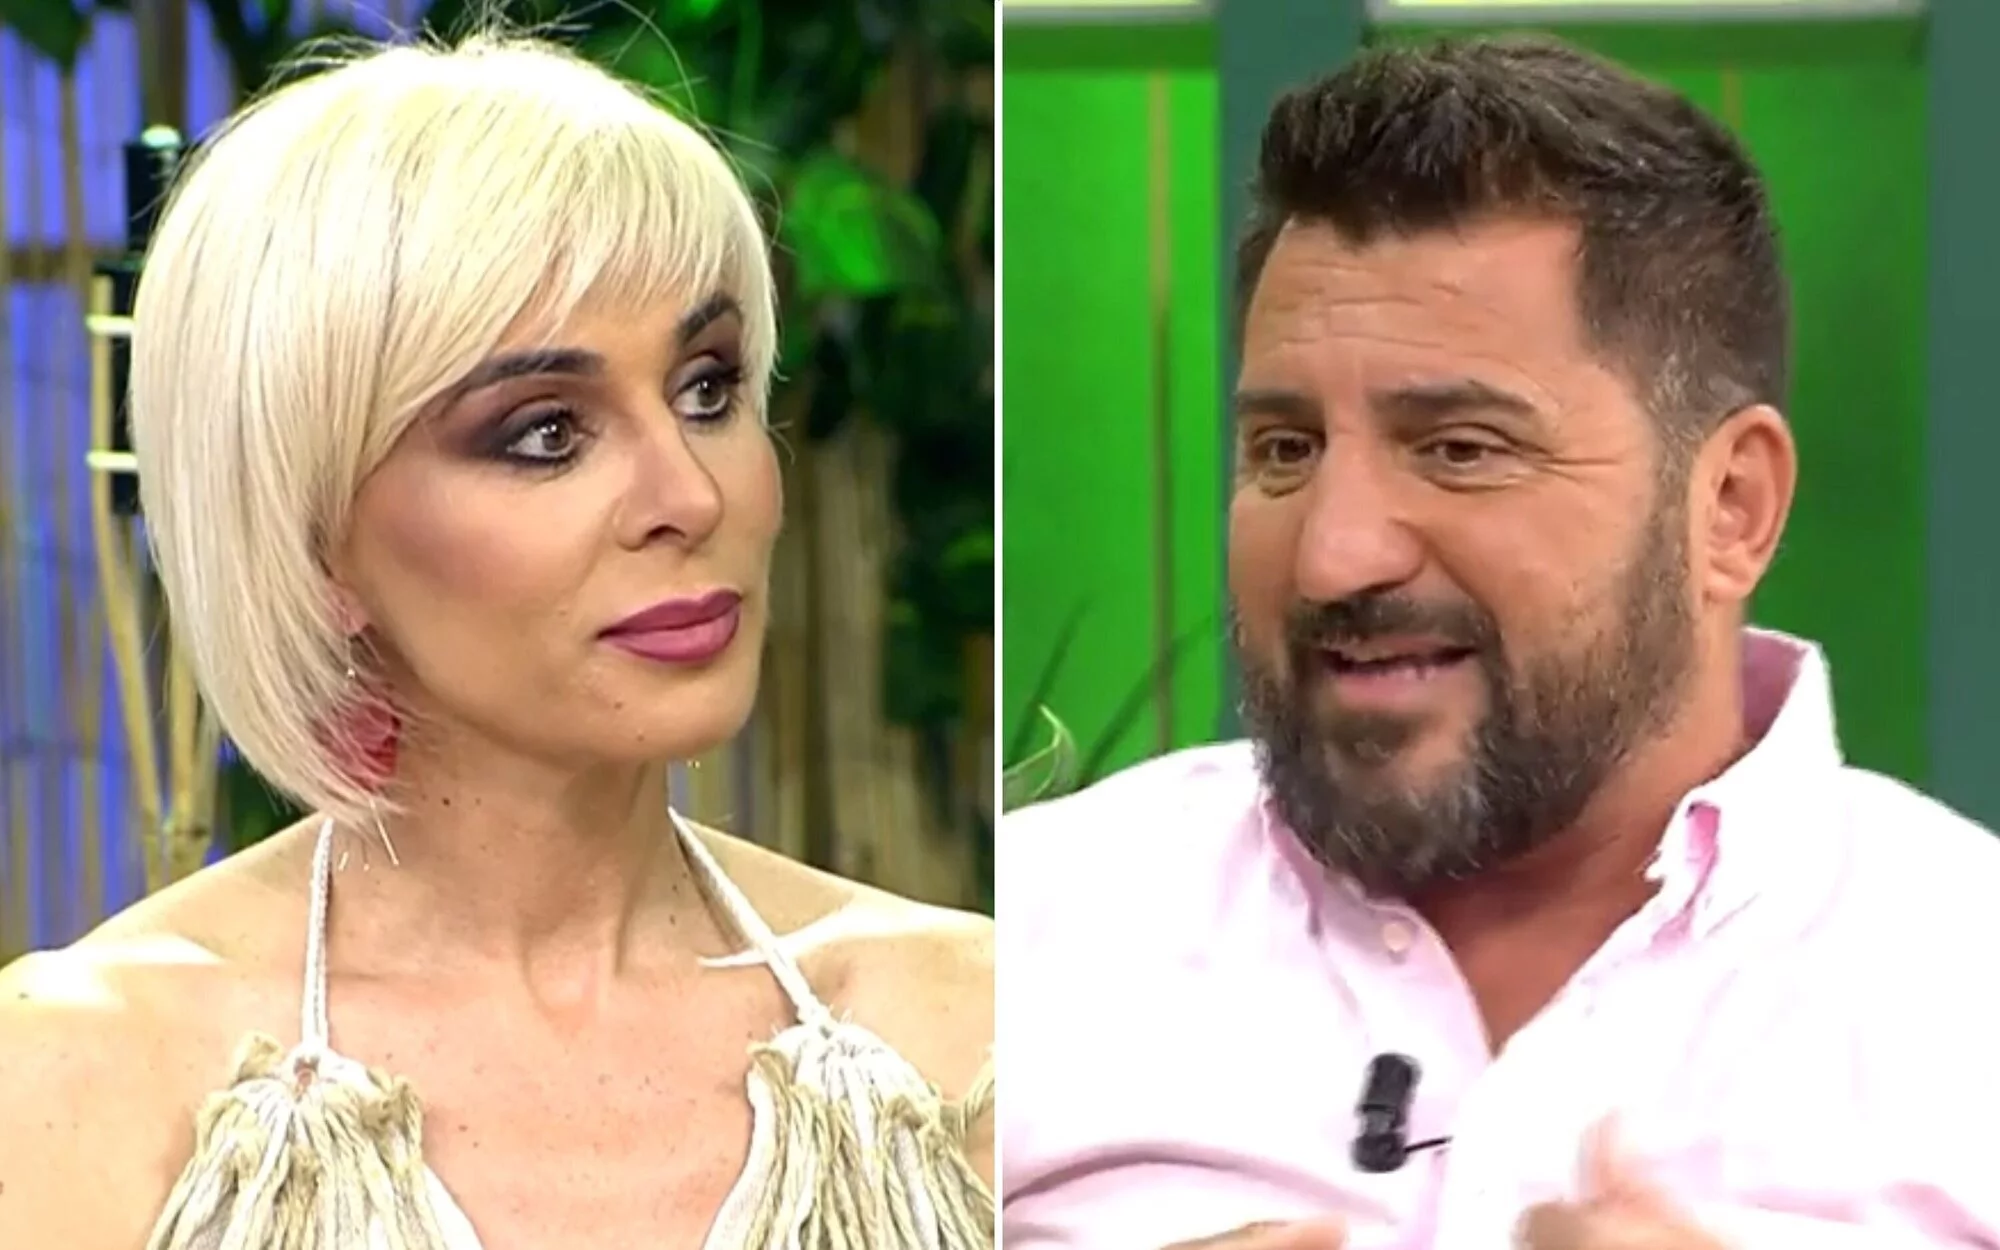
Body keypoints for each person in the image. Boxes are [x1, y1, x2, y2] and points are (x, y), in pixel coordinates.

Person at [1000, 34, 2000, 1250]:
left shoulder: (1966, 989)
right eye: (1284, 449)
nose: (1332, 557)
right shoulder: (1021, 940)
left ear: (1728, 506)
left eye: (1459, 448)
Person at [0, 33, 992, 1250]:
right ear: (316, 540)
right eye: (544, 433)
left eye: (707, 388)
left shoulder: (968, 1028)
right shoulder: (81, 1077)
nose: (690, 494)